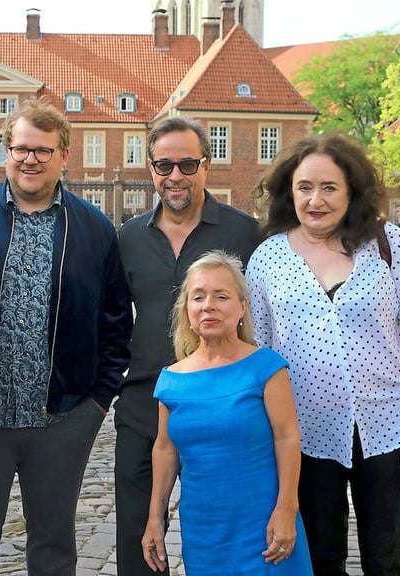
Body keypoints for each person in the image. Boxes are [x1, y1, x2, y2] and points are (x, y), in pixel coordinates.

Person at [0, 97, 133, 576]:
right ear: (6, 151)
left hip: (62, 416)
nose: (30, 159)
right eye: (21, 148)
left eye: (43, 151)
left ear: (64, 155)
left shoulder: (94, 228)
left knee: (53, 542)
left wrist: (96, 401)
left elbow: (115, 321)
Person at [246, 133, 400, 576]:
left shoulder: (386, 243)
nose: (316, 200)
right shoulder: (267, 258)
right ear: (288, 192)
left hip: (386, 427)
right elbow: (260, 351)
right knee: (319, 559)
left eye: (329, 187)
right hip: (305, 433)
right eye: (305, 187)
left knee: (385, 558)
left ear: (352, 190)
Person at [115, 115, 260, 576]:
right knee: (138, 535)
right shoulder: (129, 237)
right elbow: (111, 319)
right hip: (145, 399)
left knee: (226, 530)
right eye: (163, 166)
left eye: (186, 164)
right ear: (151, 170)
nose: (175, 176)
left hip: (224, 399)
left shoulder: (244, 233)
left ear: (206, 164)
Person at [140, 250, 311, 574]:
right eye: (198, 297)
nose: (209, 305)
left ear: (242, 306)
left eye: (222, 296)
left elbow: (287, 438)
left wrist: (287, 508)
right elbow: (164, 450)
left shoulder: (266, 367)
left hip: (264, 527)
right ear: (187, 309)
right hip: (203, 532)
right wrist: (154, 518)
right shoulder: (171, 380)